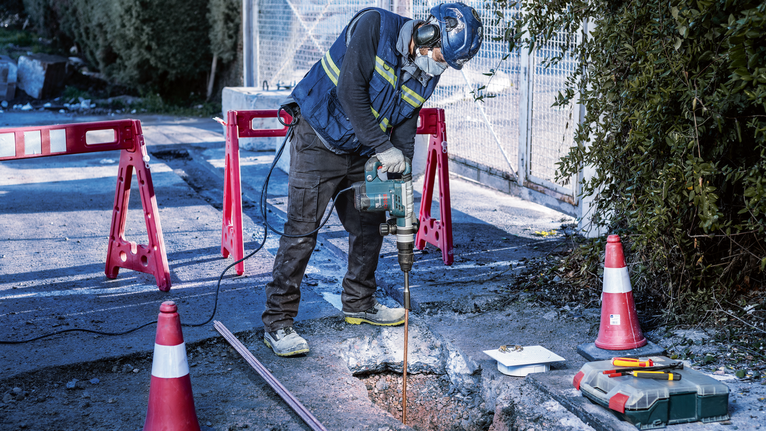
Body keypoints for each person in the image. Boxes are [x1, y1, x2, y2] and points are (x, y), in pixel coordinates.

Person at [262, 2, 483, 356]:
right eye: (442, 55)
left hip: (363, 147)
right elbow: (351, 93)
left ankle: (358, 303)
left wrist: (402, 173)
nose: (441, 64)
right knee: (302, 231)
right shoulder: (374, 27)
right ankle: (278, 323)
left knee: (369, 223)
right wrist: (383, 147)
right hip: (318, 135)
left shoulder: (429, 69)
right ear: (428, 33)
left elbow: (406, 118)